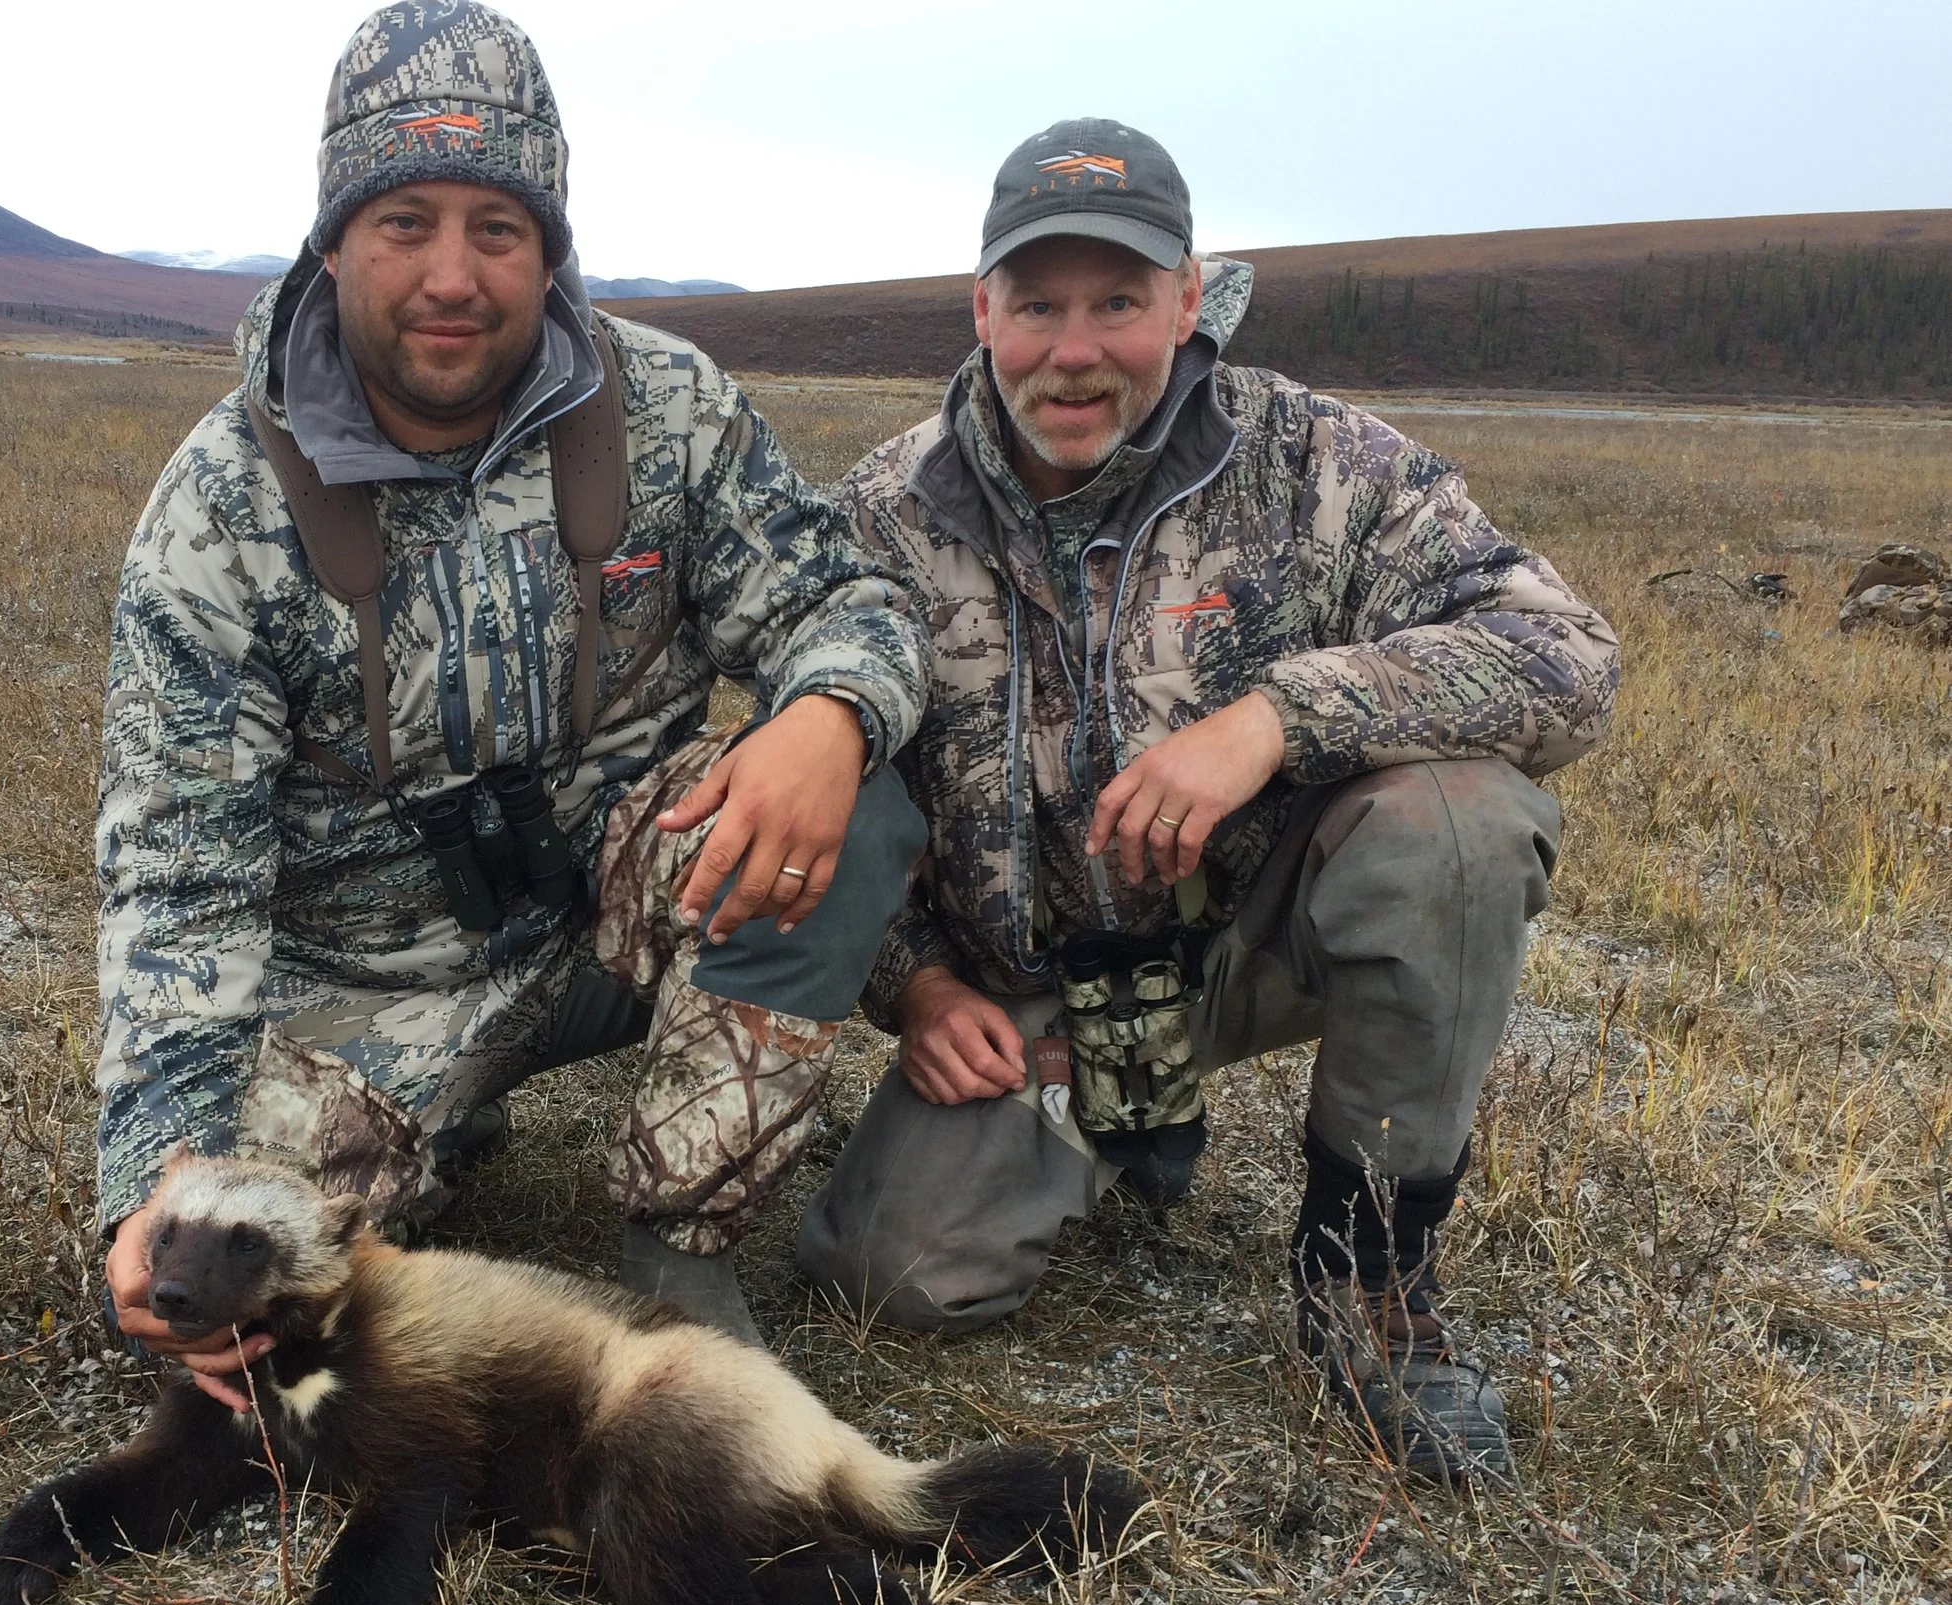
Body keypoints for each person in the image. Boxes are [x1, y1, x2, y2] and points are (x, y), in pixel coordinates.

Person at [95, 0, 929, 1380]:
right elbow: (177, 889)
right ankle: (428, 1133)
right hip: (362, 986)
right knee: (217, 1302)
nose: (452, 274)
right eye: (404, 220)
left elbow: (847, 602)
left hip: (618, 896)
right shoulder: (218, 513)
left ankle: (681, 1246)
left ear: (551, 248)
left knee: (860, 798)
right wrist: (153, 1187)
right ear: (334, 240)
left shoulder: (669, 409)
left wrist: (825, 717)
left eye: (498, 227)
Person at [796, 119, 1619, 1485]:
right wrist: (918, 985)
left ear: (1189, 299)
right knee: (898, 1279)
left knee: (1460, 823)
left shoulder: (1315, 462)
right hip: (1035, 992)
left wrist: (1275, 719)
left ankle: (1366, 1274)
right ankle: (1099, 1124)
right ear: (980, 306)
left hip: (1264, 939)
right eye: (1039, 303)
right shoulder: (883, 514)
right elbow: (814, 777)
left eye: (1118, 301)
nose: (1077, 348)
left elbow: (1568, 658)